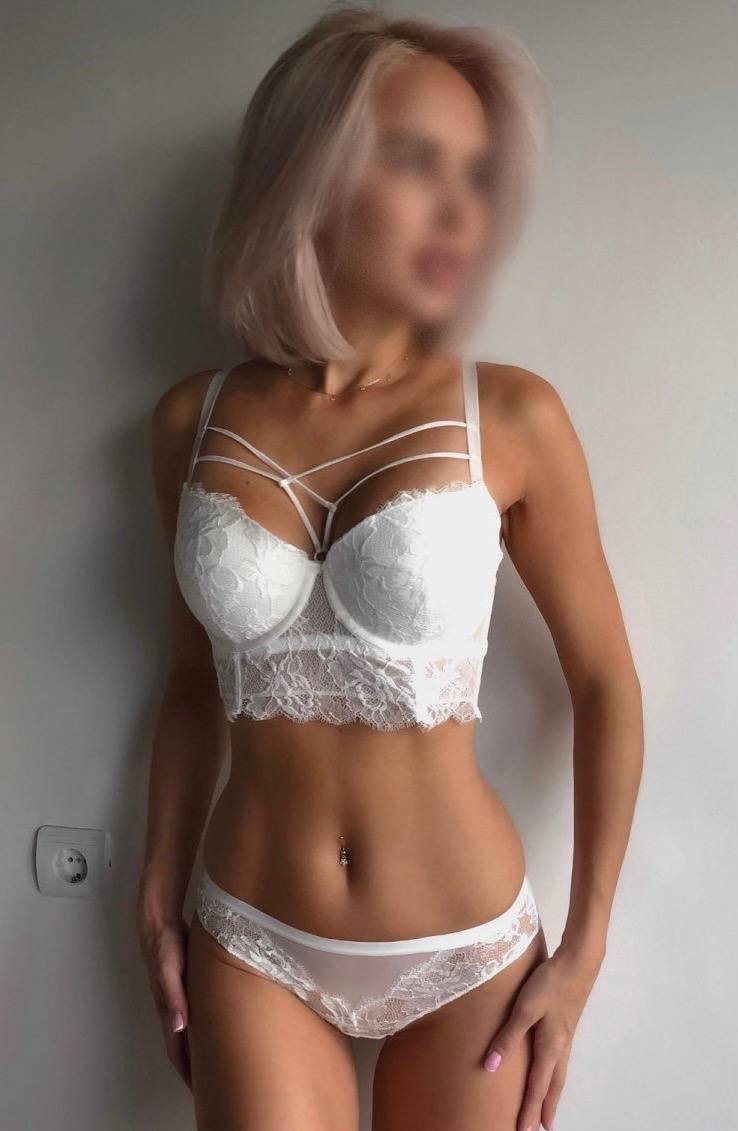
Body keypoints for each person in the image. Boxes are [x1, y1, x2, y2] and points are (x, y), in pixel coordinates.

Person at [136, 6, 644, 1130]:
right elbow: (187, 685)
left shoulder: (510, 415)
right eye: (420, 163)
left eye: (476, 174)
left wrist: (586, 950)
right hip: (251, 935)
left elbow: (606, 683)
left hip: (467, 955)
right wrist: (156, 895)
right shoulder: (190, 424)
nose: (462, 209)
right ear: (310, 178)